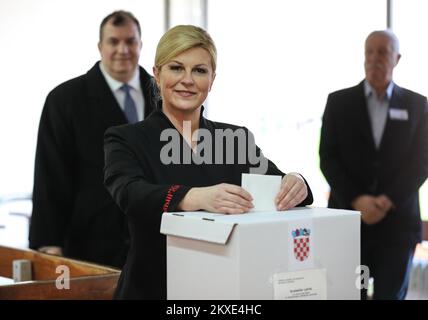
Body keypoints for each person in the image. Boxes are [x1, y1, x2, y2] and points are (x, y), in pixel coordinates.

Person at [104, 24, 313, 299]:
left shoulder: (234, 139)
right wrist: (195, 197)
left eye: (200, 70)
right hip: (152, 288)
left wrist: (297, 182)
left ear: (212, 79)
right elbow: (129, 193)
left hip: (225, 290)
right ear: (156, 74)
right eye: (176, 68)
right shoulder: (126, 138)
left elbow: (281, 184)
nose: (188, 80)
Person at [29, 10, 157, 268]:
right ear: (100, 46)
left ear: (140, 45)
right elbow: (50, 175)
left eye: (130, 41)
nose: (123, 49)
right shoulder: (64, 100)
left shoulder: (165, 96)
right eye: (113, 41)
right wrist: (48, 243)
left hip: (155, 239)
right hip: (90, 242)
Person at [320, 30, 428, 300]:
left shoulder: (418, 105)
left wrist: (386, 201)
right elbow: (328, 157)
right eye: (369, 51)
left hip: (397, 227)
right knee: (348, 294)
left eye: (383, 52)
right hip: (349, 223)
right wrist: (358, 200)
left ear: (397, 58)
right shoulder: (339, 102)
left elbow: (422, 161)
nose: (374, 58)